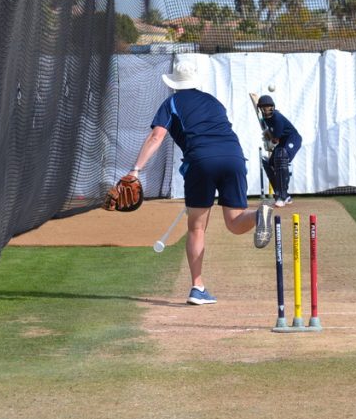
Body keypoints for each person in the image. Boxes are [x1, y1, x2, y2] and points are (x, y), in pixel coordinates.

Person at [125, 58, 272, 306]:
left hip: (201, 160)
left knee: (196, 228)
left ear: (174, 83)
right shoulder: (213, 102)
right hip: (234, 157)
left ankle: (198, 287)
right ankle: (260, 215)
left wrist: (135, 170)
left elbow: (156, 136)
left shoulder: (171, 102)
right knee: (235, 222)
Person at [256, 95, 302, 208]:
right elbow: (271, 134)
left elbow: (275, 139)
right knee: (269, 163)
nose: (267, 109)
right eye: (265, 107)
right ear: (261, 108)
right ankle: (285, 195)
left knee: (281, 156)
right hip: (283, 142)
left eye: (269, 106)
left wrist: (269, 142)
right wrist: (267, 134)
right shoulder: (265, 119)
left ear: (273, 107)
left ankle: (281, 197)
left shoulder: (277, 117)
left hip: (293, 139)